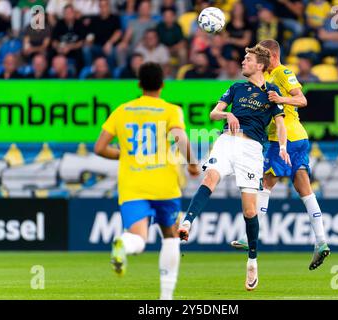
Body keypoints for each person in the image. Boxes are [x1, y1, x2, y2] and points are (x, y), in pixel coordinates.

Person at [178, 45, 290, 291]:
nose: (242, 62)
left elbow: (280, 123)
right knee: (210, 178)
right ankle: (186, 223)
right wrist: (227, 115)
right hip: (227, 140)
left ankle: (252, 261)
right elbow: (213, 113)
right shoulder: (236, 88)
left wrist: (282, 146)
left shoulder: (272, 91)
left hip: (251, 151)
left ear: (259, 65)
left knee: (250, 211)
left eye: (247, 59)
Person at [94, 62, 200, 300]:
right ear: (162, 85)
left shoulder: (123, 110)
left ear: (139, 84)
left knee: (139, 238)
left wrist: (124, 154)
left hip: (133, 185)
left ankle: (123, 242)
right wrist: (192, 163)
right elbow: (180, 137)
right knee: (171, 236)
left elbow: (99, 148)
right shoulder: (170, 110)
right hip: (164, 184)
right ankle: (165, 298)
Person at [230, 39, 330, 271]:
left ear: (271, 56)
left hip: (284, 138)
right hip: (299, 138)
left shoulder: (283, 72)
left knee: (265, 183)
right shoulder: (268, 77)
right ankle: (321, 240)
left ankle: (249, 237)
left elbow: (302, 99)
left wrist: (280, 99)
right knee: (304, 188)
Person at [83, 0, 122, 69]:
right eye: (101, 6)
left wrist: (109, 43)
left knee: (111, 51)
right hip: (97, 46)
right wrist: (89, 41)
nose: (103, 8)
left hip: (110, 46)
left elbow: (118, 33)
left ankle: (111, 74)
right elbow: (90, 34)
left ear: (108, 7)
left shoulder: (115, 18)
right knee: (86, 49)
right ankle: (89, 71)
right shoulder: (94, 19)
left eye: (105, 6)